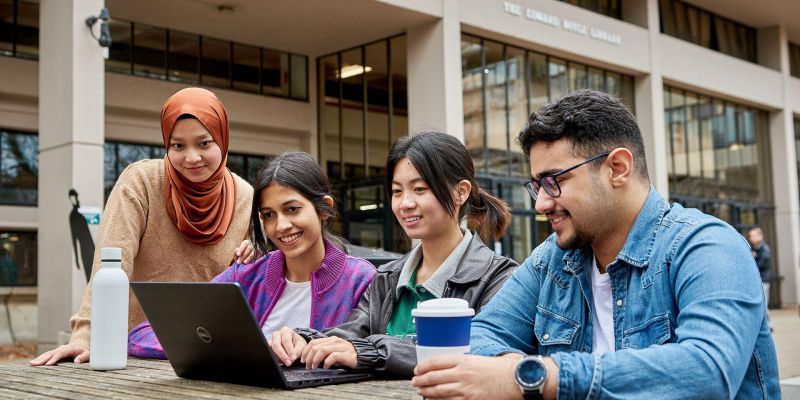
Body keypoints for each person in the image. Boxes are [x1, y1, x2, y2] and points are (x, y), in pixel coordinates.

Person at [412, 90, 780, 399]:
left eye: (553, 181)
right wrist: (512, 369)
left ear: (617, 168)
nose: (540, 203)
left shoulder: (706, 246)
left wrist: (535, 377)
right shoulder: (552, 261)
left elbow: (708, 371)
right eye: (536, 186)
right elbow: (483, 334)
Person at [31, 87, 256, 366]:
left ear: (222, 139)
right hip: (135, 356)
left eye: (204, 143)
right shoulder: (141, 182)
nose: (192, 157)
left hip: (212, 354)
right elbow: (111, 262)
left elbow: (257, 279)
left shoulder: (246, 197)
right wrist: (84, 336)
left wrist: (255, 254)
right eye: (178, 146)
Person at [270, 131, 518, 378]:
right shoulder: (387, 277)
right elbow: (351, 334)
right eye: (397, 191)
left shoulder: (499, 278)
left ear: (460, 192)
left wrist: (370, 352)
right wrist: (304, 340)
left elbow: (470, 352)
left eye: (419, 189)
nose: (405, 203)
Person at [127, 151, 377, 358]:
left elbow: (380, 349)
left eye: (292, 209)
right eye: (268, 215)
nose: (280, 226)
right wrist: (233, 348)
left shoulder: (361, 280)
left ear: (324, 209)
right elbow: (141, 335)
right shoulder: (245, 276)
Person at [748, 226, 773, 330]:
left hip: (763, 280)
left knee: (764, 304)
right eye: (750, 236)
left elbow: (761, 265)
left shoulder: (764, 249)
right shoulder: (752, 248)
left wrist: (753, 257)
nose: (751, 238)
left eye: (753, 235)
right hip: (756, 280)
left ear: (760, 236)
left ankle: (768, 325)